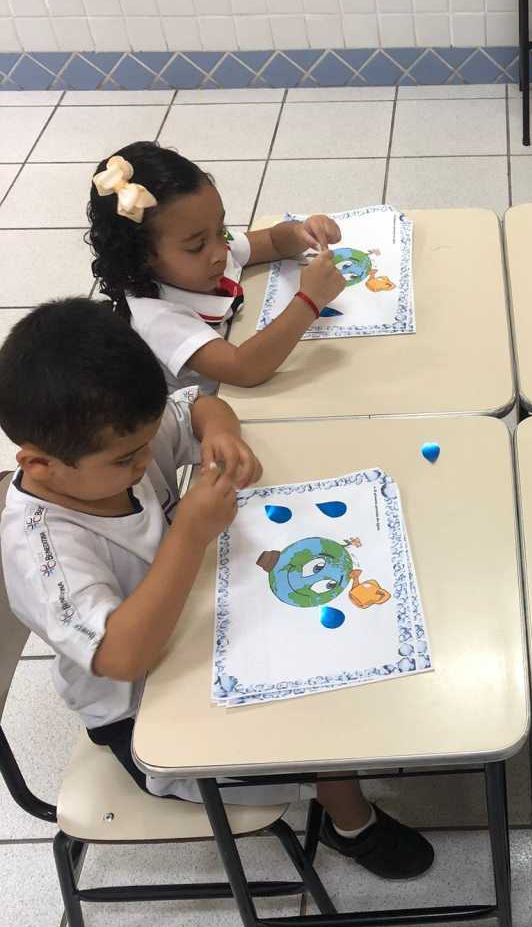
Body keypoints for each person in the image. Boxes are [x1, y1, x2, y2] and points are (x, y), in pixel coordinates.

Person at [0, 299, 432, 879]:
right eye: (127, 459)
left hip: (195, 622)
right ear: (40, 465)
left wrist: (222, 436)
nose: (144, 462)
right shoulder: (42, 551)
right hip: (143, 713)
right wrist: (189, 535)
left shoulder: (116, 441)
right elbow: (123, 656)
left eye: (147, 444)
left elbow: (201, 406)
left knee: (334, 649)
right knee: (311, 720)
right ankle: (352, 825)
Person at [87, 141, 345, 394]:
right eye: (196, 246)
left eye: (220, 229)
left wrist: (302, 232)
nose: (221, 251)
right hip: (208, 406)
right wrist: (309, 301)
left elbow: (272, 242)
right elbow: (244, 369)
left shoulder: (208, 248)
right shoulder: (158, 319)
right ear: (142, 256)